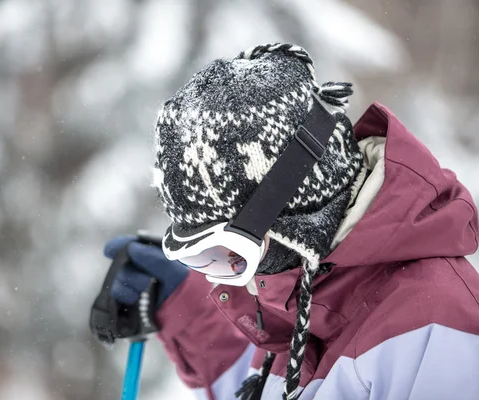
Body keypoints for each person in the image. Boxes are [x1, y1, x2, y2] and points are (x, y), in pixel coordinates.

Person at [102, 43, 479, 400]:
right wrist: (184, 306)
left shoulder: (434, 331)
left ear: (298, 222)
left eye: (227, 254)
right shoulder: (301, 304)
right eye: (199, 258)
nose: (223, 279)